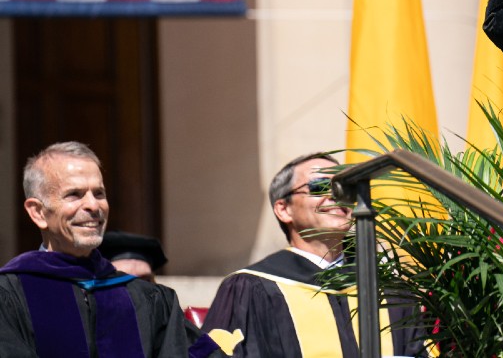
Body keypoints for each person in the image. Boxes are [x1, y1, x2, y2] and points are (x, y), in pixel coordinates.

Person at [199, 152, 424, 357]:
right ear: (283, 209)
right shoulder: (249, 288)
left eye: (343, 187)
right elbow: (209, 353)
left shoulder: (390, 290)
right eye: (319, 186)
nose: (335, 196)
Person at [0, 141, 192, 356]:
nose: (93, 205)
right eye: (74, 194)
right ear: (38, 212)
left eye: (99, 193)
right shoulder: (10, 295)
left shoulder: (149, 298)